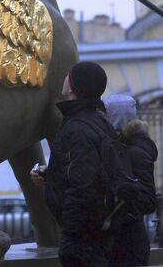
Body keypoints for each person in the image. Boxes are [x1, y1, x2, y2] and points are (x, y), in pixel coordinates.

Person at [30, 61, 115, 266]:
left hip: (82, 239)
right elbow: (88, 172)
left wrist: (71, 233)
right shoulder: (96, 121)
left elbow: (83, 186)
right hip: (92, 235)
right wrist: (51, 176)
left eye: (69, 75)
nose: (64, 78)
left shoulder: (77, 128)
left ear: (74, 87)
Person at [104, 94, 158, 267]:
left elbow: (148, 202)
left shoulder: (134, 152)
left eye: (105, 115)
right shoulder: (118, 146)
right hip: (120, 239)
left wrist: (124, 189)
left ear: (115, 117)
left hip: (128, 243)